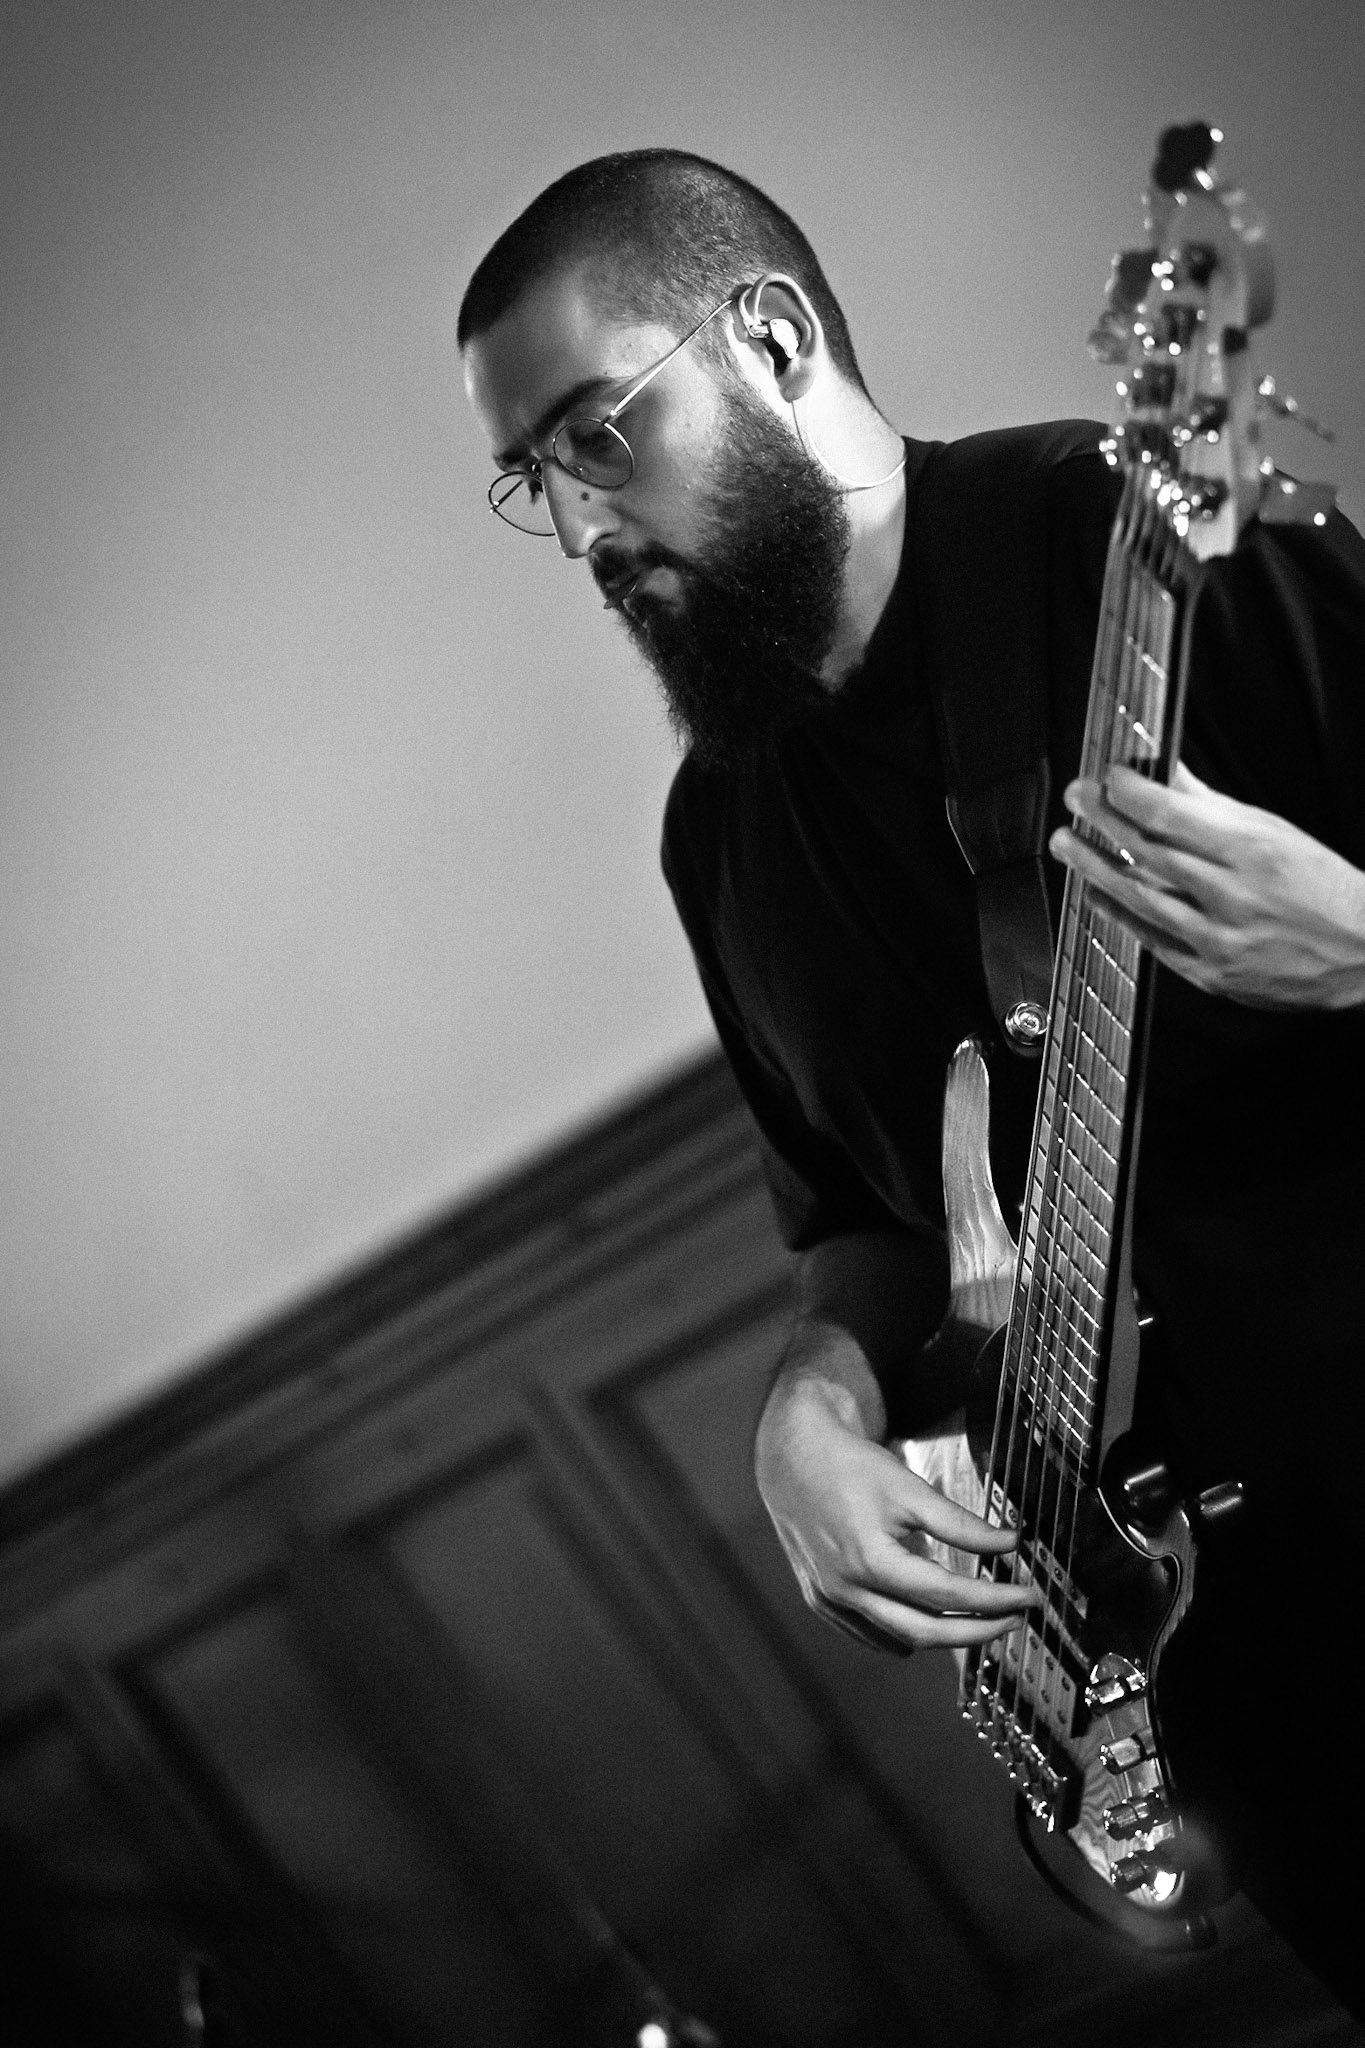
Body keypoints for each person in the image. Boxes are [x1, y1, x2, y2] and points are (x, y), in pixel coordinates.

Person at [459, 149, 1365, 2017]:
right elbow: (868, 1222)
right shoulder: (721, 837)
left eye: (597, 433)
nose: (580, 531)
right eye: (531, 478)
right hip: (1241, 1688)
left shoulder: (1154, 553)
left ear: (772, 338)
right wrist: (808, 1411)